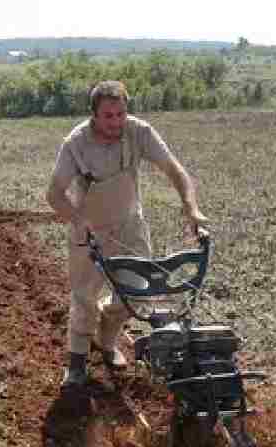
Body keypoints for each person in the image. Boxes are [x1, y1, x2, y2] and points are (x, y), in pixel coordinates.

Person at [45, 80, 209, 386]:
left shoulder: (139, 132)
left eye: (121, 114)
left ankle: (106, 343)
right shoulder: (76, 143)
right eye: (108, 116)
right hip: (90, 229)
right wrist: (77, 220)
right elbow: (54, 193)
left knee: (132, 294)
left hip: (130, 225)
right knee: (84, 299)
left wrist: (191, 207)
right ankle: (77, 363)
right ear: (94, 115)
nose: (116, 122)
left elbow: (174, 170)